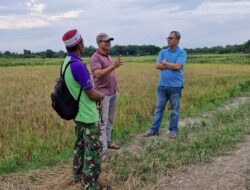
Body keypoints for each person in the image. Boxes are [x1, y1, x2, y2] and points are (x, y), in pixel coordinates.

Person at [61, 29, 105, 189]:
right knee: (92, 152)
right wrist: (102, 97)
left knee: (79, 145)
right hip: (88, 116)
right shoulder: (78, 65)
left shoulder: (66, 62)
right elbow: (92, 93)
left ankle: (77, 175)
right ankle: (89, 185)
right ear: (79, 44)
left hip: (77, 115)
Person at [144, 31, 187, 139]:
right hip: (162, 86)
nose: (168, 40)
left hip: (176, 86)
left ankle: (173, 131)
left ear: (177, 40)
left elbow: (178, 67)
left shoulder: (182, 53)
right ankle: (154, 130)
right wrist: (171, 65)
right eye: (168, 38)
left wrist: (166, 63)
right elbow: (158, 66)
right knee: (158, 109)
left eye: (171, 38)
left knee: (174, 110)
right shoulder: (163, 52)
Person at [90, 33, 123, 161]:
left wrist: (116, 87)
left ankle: (108, 142)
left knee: (110, 120)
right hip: (103, 95)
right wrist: (113, 66)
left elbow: (111, 74)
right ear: (98, 43)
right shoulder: (95, 58)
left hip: (113, 92)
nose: (108, 43)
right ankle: (103, 151)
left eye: (109, 41)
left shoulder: (108, 56)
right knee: (103, 123)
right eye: (106, 41)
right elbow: (98, 74)